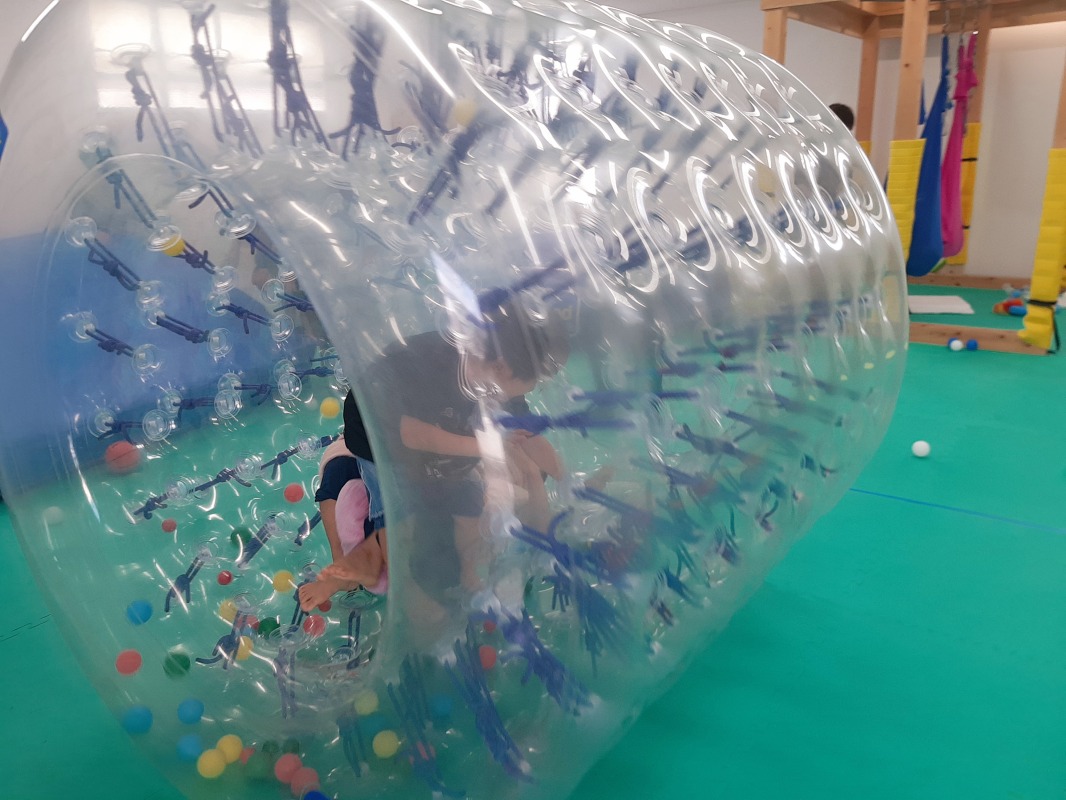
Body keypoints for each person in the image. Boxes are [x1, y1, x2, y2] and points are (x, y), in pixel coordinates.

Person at [309, 299, 569, 618]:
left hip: (434, 433)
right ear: (501, 367)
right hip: (380, 435)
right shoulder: (435, 367)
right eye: (518, 388)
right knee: (398, 521)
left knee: (461, 503)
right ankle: (393, 581)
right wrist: (486, 446)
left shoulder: (495, 377)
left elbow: (526, 434)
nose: (514, 398)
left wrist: (565, 478)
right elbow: (415, 437)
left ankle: (463, 572)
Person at [297, 396, 388, 611]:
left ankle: (355, 561)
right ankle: (340, 559)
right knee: (337, 469)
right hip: (359, 449)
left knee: (387, 522)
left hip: (385, 461)